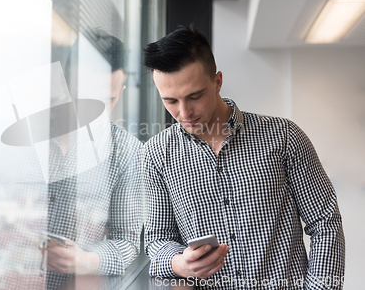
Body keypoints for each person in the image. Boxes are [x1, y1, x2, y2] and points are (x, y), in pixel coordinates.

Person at [142, 25, 345, 289]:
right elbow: (158, 240)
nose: (184, 112)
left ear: (217, 82)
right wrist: (179, 263)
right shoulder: (156, 154)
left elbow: (325, 222)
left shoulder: (284, 136)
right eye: (170, 101)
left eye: (194, 96)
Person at [43, 32, 143, 289]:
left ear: (120, 93)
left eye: (106, 100)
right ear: (64, 81)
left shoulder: (127, 151)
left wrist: (86, 260)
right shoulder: (30, 139)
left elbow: (128, 243)